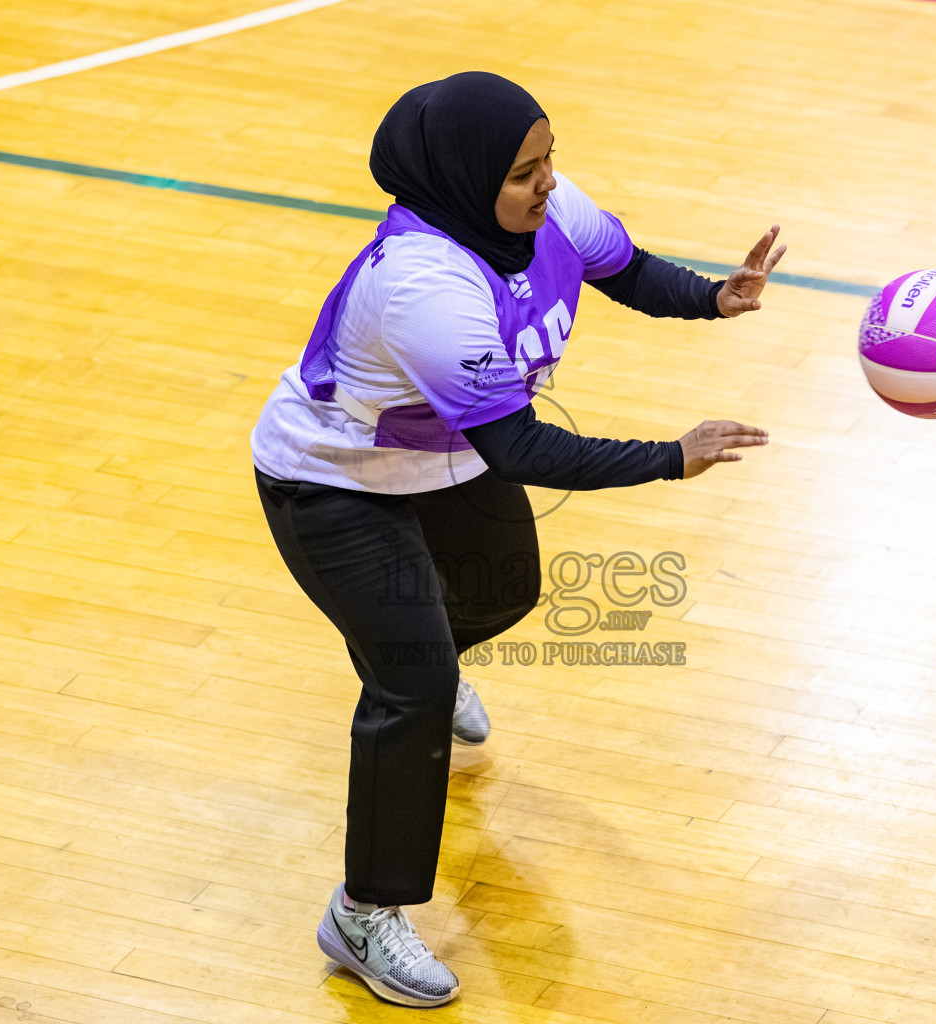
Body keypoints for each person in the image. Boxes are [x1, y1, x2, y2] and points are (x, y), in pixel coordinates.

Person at [250, 71, 782, 1008]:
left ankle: (409, 659)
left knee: (503, 593)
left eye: (547, 160)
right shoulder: (423, 285)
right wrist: (672, 457)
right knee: (413, 681)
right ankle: (364, 914)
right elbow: (523, 447)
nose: (546, 184)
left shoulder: (547, 209)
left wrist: (711, 298)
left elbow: (623, 268)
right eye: (522, 172)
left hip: (444, 458)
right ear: (463, 180)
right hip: (334, 482)